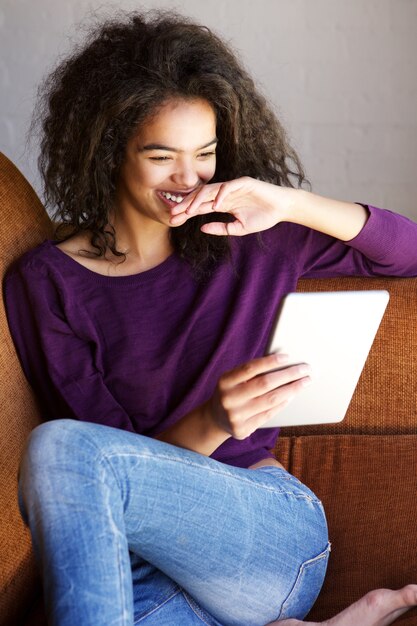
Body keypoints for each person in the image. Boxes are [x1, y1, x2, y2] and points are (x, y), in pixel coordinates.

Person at [4, 10, 417, 626]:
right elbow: (113, 471)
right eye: (161, 155)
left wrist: (288, 202)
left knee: (56, 447)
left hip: (266, 535)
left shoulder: (255, 237)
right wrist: (211, 420)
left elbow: (408, 253)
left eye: (205, 153)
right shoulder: (47, 285)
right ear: (109, 149)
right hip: (145, 558)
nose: (188, 177)